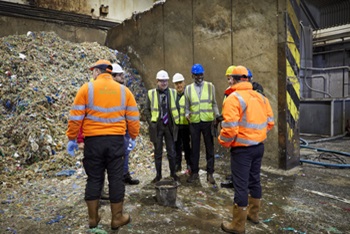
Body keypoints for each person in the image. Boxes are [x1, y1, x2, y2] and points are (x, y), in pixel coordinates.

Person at [66, 59, 140, 230]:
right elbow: (133, 118)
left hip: (93, 142)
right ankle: (117, 218)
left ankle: (93, 218)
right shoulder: (124, 91)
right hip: (115, 141)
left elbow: (75, 117)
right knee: (115, 179)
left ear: (98, 72)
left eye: (93, 71)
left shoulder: (86, 88)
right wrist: (133, 137)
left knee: (94, 178)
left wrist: (72, 138)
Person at [218, 65, 274, 233]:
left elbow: (229, 129)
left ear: (234, 79)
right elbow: (270, 122)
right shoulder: (261, 98)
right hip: (259, 147)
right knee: (254, 180)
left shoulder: (233, 98)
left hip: (242, 150)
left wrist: (224, 142)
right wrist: (256, 136)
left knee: (241, 186)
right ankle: (253, 214)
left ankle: (238, 225)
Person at [184, 64, 220, 184]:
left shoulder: (210, 87)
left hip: (207, 121)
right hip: (194, 122)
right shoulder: (188, 89)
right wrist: (187, 114)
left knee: (209, 148)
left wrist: (217, 116)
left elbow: (214, 103)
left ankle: (210, 173)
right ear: (192, 76)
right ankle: (194, 173)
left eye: (201, 74)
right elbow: (187, 106)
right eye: (197, 75)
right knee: (194, 148)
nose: (199, 77)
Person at [144, 70, 180, 183]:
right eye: (161, 81)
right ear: (157, 81)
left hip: (169, 125)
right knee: (158, 152)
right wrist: (151, 123)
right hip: (157, 126)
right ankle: (158, 175)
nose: (163, 83)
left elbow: (177, 108)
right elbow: (146, 110)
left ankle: (173, 173)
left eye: (165, 81)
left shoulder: (173, 93)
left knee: (171, 151)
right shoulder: (151, 93)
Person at [172, 73, 191, 173]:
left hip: (186, 125)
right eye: (176, 84)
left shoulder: (188, 94)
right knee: (176, 146)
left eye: (180, 83)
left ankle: (189, 164)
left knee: (187, 146)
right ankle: (177, 165)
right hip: (176, 125)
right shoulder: (173, 96)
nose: (179, 85)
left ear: (184, 83)